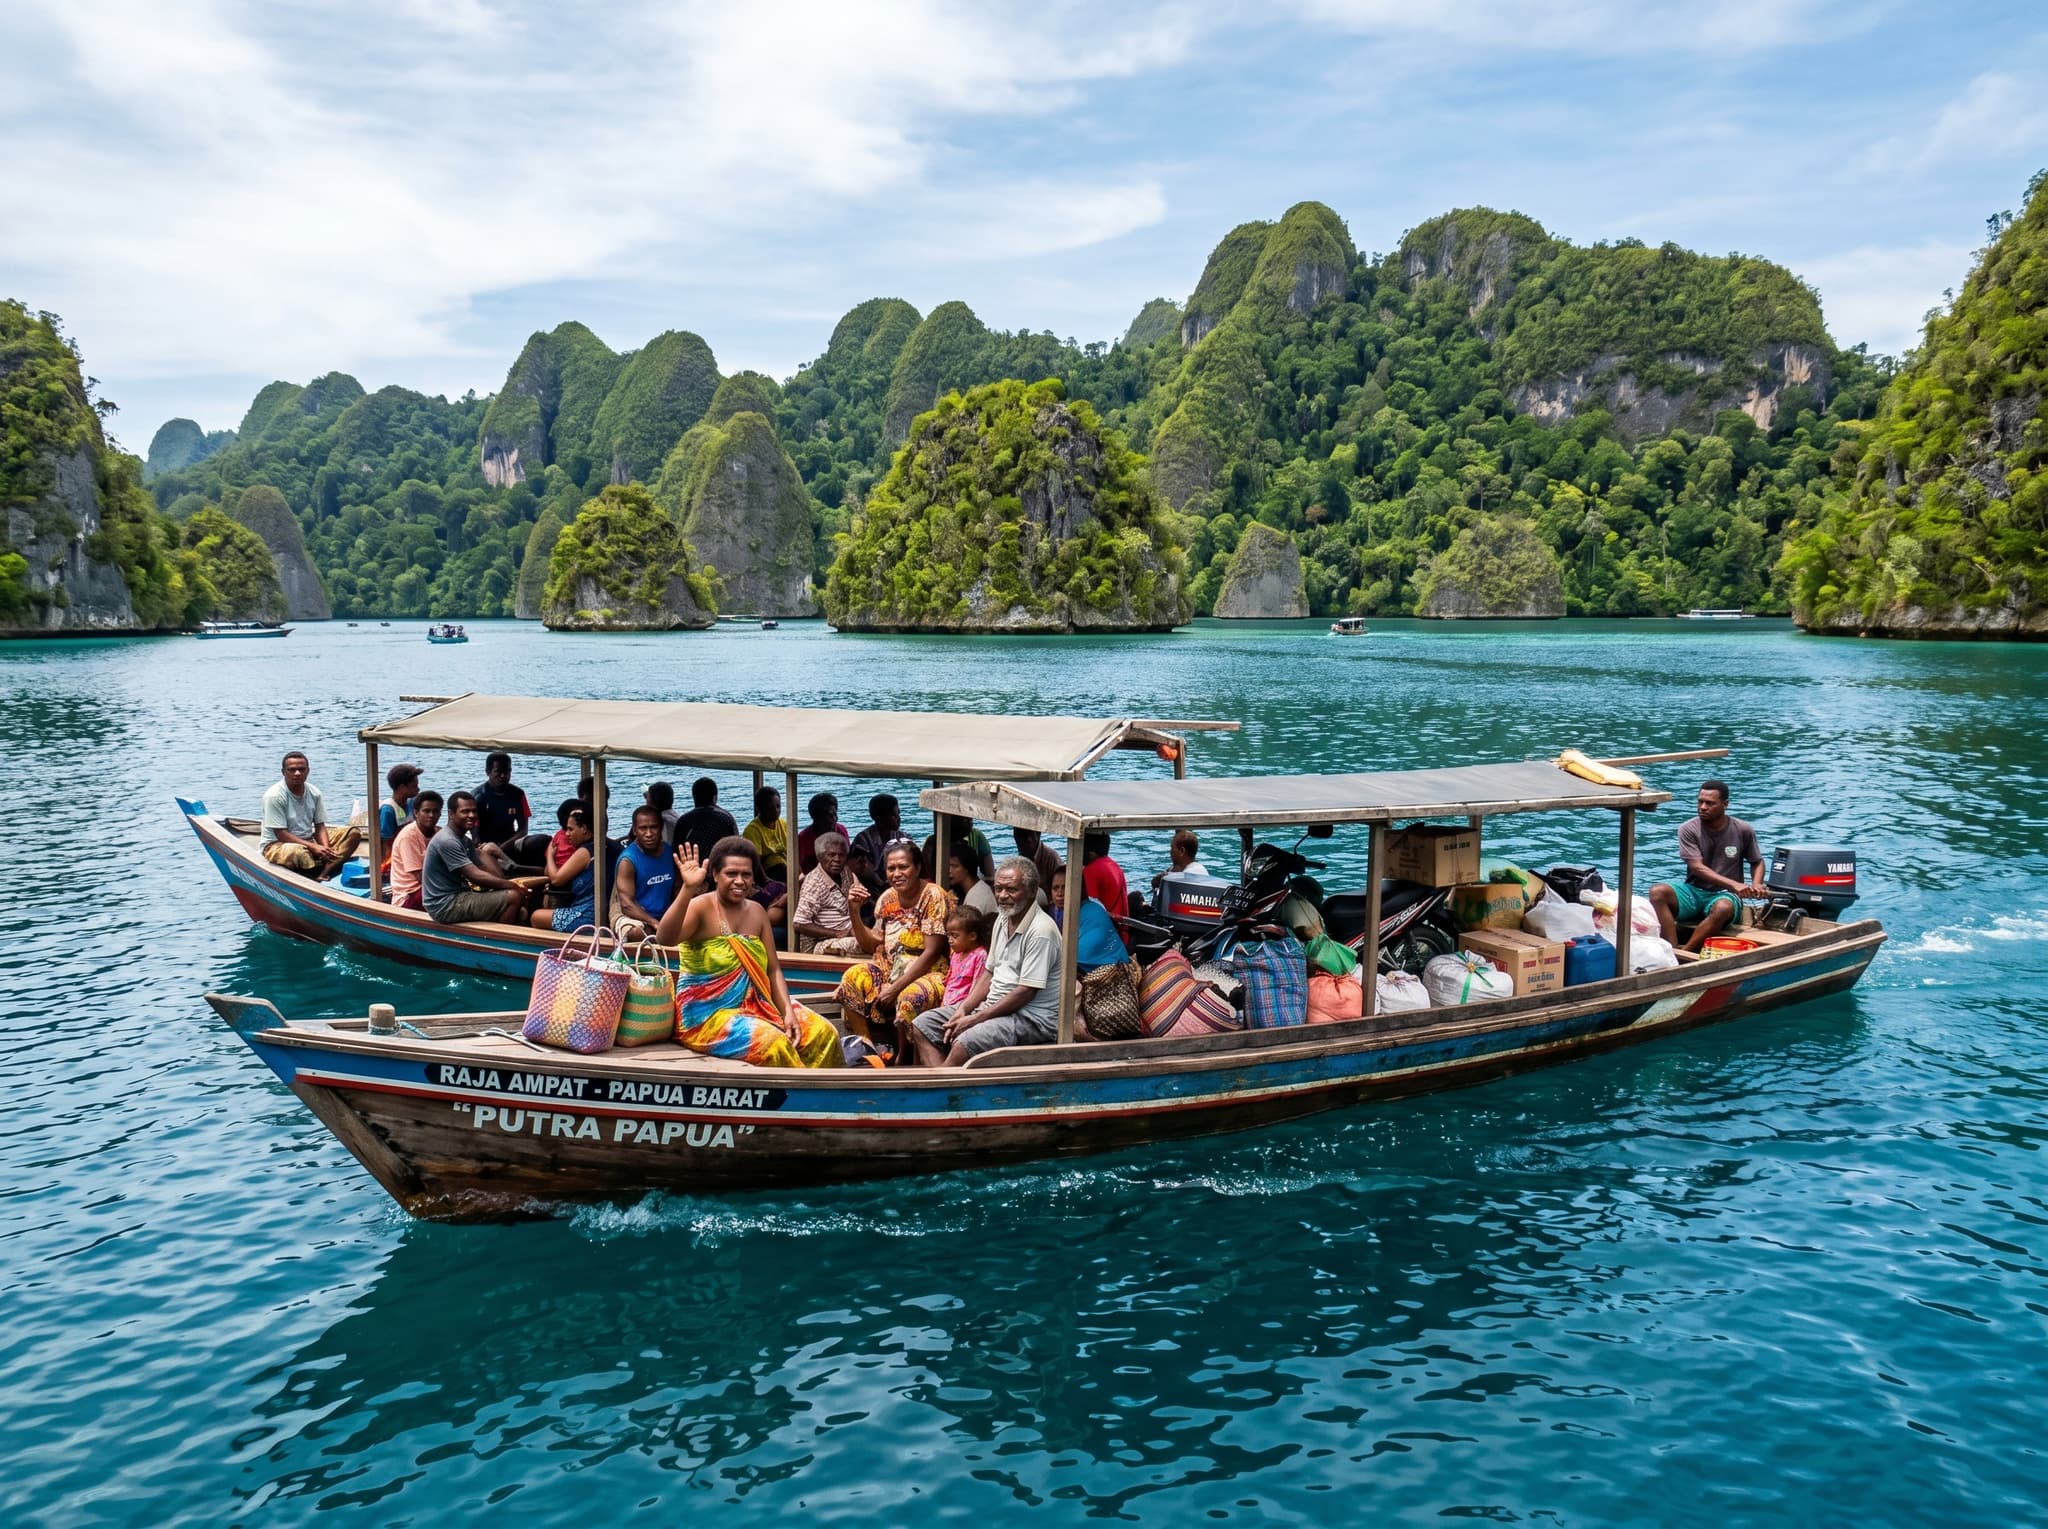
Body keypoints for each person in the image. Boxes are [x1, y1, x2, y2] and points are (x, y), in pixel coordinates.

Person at [655, 836, 842, 1069]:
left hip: (758, 1004)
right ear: (715, 875)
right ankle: (791, 1095)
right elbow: (665, 938)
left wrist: (788, 1013)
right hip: (706, 1015)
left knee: (823, 1033)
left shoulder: (757, 912)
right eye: (731, 874)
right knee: (772, 1043)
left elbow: (772, 970)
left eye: (746, 874)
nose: (740, 881)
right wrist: (688, 888)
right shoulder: (700, 907)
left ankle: (824, 1098)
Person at [910, 858, 1063, 1067]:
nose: (1002, 896)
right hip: (994, 1007)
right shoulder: (1003, 919)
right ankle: (945, 1084)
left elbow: (1026, 991)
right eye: (998, 889)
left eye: (1011, 889)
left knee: (965, 1041)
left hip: (1030, 1018)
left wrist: (976, 1019)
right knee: (922, 1025)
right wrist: (964, 1009)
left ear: (1031, 891)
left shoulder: (1041, 931)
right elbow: (989, 973)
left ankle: (940, 1087)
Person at [835, 839, 953, 1052]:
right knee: (851, 978)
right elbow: (872, 944)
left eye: (903, 867)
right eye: (891, 868)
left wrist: (895, 988)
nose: (896, 873)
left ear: (917, 868)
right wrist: (854, 911)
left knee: (908, 997)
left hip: (931, 972)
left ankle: (903, 1059)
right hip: (891, 969)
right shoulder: (887, 898)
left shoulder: (933, 895)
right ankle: (866, 1045)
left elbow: (933, 951)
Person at [1650, 779, 1767, 953]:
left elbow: (1757, 861)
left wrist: (1756, 884)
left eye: (1710, 803)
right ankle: (1671, 949)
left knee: (1722, 907)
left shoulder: (1743, 829)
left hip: (1726, 896)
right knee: (1657, 892)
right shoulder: (1688, 829)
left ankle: (1686, 954)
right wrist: (1735, 884)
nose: (1703, 807)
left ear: (1725, 804)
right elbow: (1697, 867)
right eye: (1700, 802)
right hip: (1694, 891)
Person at [422, 791, 530, 925]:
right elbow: (474, 875)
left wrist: (504, 882)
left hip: (460, 896)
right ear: (451, 814)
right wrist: (513, 887)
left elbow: (483, 868)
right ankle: (498, 940)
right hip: (444, 905)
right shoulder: (447, 840)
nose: (471, 816)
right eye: (465, 812)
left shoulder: (464, 840)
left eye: (474, 811)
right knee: (514, 897)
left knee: (519, 909)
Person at [260, 751, 362, 879]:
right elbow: (281, 833)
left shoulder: (314, 793)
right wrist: (314, 847)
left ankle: (325, 871)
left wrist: (325, 849)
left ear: (307, 771)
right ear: (283, 772)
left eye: (301, 769)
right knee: (299, 853)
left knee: (353, 833)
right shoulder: (274, 796)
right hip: (277, 844)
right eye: (292, 770)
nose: (297, 773)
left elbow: (320, 826)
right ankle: (313, 875)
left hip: (308, 840)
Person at [905, 906, 990, 1060]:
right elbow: (951, 979)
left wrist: (965, 1007)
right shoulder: (957, 955)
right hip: (948, 1004)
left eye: (955, 936)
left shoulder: (980, 955)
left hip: (963, 1007)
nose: (950, 940)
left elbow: (977, 985)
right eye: (948, 935)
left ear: (972, 936)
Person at [612, 805, 680, 942]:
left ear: (661, 828)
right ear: (635, 830)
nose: (649, 834)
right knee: (636, 933)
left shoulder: (669, 852)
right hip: (635, 917)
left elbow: (677, 888)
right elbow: (627, 905)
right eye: (643, 828)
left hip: (664, 915)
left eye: (653, 827)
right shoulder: (628, 860)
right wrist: (655, 923)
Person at [793, 831, 867, 955]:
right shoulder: (814, 882)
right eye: (831, 855)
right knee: (862, 943)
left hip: (849, 932)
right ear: (820, 857)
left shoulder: (846, 872)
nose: (837, 860)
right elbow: (799, 923)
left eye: (841, 855)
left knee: (877, 937)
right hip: (824, 943)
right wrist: (837, 933)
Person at [1050, 860, 1129, 972]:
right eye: (1055, 888)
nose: (1059, 893)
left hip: (1113, 974)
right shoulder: (1064, 910)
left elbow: (1074, 956)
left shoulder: (1091, 910)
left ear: (1079, 888)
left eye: (1065, 887)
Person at [529, 805, 597, 931]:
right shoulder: (604, 845)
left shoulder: (585, 851)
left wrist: (550, 854)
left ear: (584, 829)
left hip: (587, 914)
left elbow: (555, 880)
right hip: (595, 908)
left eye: (571, 829)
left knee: (535, 916)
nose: (567, 834)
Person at [387, 789, 441, 908]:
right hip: (409, 896)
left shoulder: (438, 833)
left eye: (435, 811)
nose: (431, 815)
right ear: (416, 813)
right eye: (426, 811)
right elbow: (421, 877)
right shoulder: (408, 837)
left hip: (428, 888)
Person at [471, 752, 532, 850]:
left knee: (538, 842)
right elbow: (475, 833)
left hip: (509, 842)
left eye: (507, 771)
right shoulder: (477, 797)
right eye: (498, 772)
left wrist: (502, 847)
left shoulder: (518, 794)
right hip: (485, 845)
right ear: (488, 772)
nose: (503, 776)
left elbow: (523, 829)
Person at [1082, 830, 1130, 944]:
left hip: (1105, 939)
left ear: (1091, 853)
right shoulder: (1115, 866)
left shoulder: (1090, 871)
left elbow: (1091, 911)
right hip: (1121, 935)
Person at [849, 794, 902, 896]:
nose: (899, 818)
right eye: (894, 815)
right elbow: (862, 869)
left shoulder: (902, 837)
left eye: (898, 814)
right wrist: (882, 885)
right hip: (871, 889)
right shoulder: (863, 840)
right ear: (880, 818)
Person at [673, 776, 738, 859]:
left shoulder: (683, 821)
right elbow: (736, 848)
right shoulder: (726, 818)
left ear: (694, 797)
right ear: (715, 797)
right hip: (720, 868)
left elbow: (676, 852)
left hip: (692, 869)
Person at [922, 813, 995, 883]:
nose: (970, 822)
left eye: (970, 819)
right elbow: (926, 872)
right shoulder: (932, 842)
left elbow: (989, 873)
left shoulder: (976, 836)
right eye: (965, 819)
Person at [744, 786, 790, 884]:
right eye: (770, 808)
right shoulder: (752, 831)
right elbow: (755, 863)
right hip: (767, 873)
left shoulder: (783, 824)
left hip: (786, 869)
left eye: (778, 807)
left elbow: (792, 852)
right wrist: (766, 881)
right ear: (759, 808)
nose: (776, 811)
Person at [944, 840, 999, 920]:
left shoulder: (977, 898)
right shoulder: (978, 888)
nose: (949, 870)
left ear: (967, 868)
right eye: (948, 865)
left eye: (954, 866)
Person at [795, 792, 844, 876]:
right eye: (829, 815)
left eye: (835, 814)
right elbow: (800, 866)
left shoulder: (840, 830)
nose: (834, 819)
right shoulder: (804, 838)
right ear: (816, 818)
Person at [1013, 826, 1061, 908]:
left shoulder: (1051, 858)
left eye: (1024, 837)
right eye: (1017, 836)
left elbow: (1060, 891)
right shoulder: (1021, 857)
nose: (1019, 842)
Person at [378, 763, 421, 847]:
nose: (418, 789)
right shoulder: (388, 810)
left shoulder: (412, 802)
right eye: (414, 786)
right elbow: (386, 843)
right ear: (402, 788)